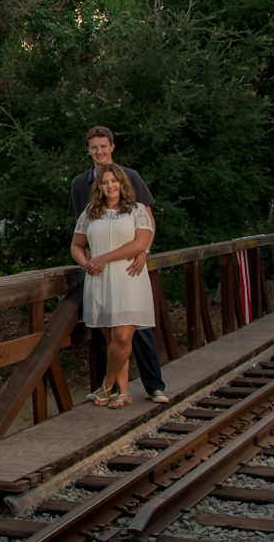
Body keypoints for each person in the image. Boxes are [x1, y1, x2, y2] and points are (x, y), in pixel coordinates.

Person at [69, 126, 169, 403]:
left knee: (136, 330)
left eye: (104, 146)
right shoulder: (80, 184)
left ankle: (153, 385)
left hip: (127, 267)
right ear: (88, 150)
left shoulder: (129, 177)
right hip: (99, 270)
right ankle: (113, 388)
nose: (99, 151)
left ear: (112, 147)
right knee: (106, 337)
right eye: (94, 147)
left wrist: (144, 251)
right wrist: (90, 261)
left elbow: (147, 222)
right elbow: (82, 230)